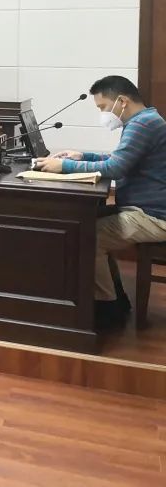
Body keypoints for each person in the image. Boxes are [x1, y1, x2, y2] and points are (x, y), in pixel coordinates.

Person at [32, 76, 166, 329]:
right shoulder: (145, 120)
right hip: (145, 209)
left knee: (89, 236)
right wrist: (82, 155)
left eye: (103, 107)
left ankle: (106, 308)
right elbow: (120, 158)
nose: (103, 114)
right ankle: (116, 298)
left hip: (154, 216)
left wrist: (64, 166)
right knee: (86, 222)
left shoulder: (142, 124)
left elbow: (115, 168)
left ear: (122, 101)